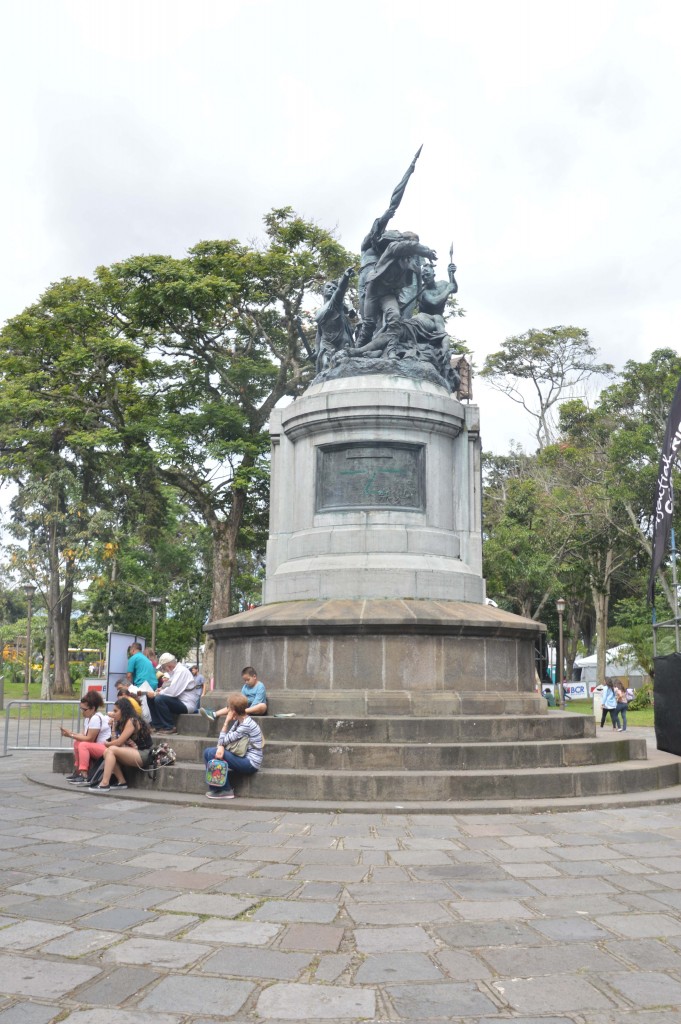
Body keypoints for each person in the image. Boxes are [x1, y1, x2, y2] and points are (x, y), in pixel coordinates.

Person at [355, 232, 437, 353]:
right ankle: (357, 351)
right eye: (413, 241)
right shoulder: (393, 248)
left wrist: (419, 291)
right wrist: (427, 251)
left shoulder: (410, 262)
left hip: (388, 293)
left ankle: (391, 350)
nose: (415, 245)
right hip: (374, 289)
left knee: (394, 317)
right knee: (369, 324)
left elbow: (417, 273)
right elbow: (411, 246)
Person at [202, 692, 264, 800]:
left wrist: (226, 722)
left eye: (228, 708)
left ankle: (226, 790)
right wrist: (221, 746)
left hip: (250, 763)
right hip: (243, 758)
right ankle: (216, 788)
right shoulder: (240, 722)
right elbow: (224, 741)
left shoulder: (245, 725)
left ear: (233, 711)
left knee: (212, 753)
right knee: (207, 752)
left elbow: (223, 740)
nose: (227, 710)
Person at [88, 698, 154, 793]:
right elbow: (116, 742)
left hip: (145, 754)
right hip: (136, 752)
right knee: (109, 751)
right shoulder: (123, 722)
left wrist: (107, 743)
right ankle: (121, 781)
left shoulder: (131, 721)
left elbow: (118, 742)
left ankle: (105, 783)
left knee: (111, 750)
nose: (113, 713)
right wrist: (114, 725)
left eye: (116, 711)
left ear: (123, 710)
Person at [61, 691, 111, 785]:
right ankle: (78, 771)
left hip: (105, 748)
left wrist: (70, 735)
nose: (82, 712)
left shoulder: (96, 718)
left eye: (84, 710)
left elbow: (89, 739)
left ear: (93, 709)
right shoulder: (88, 718)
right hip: (98, 746)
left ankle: (84, 774)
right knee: (77, 743)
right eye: (81, 709)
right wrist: (70, 733)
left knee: (83, 745)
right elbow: (84, 735)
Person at [314, 267, 356, 374]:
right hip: (326, 340)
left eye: (333, 288)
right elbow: (319, 332)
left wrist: (345, 277)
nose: (331, 289)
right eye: (328, 287)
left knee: (345, 363)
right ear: (322, 291)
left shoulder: (335, 302)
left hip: (342, 338)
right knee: (325, 365)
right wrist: (317, 349)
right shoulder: (319, 311)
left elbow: (340, 290)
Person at [146, 652, 200, 732]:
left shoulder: (181, 671)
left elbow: (173, 691)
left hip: (186, 704)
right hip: (179, 701)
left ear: (169, 666)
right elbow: (168, 687)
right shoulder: (175, 672)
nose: (164, 670)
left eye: (164, 668)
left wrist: (156, 693)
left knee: (158, 699)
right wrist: (160, 690)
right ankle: (158, 725)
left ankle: (169, 726)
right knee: (151, 698)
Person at [200, 666, 268, 721]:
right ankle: (214, 714)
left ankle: (239, 712)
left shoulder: (260, 686)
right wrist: (237, 706)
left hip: (255, 709)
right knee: (232, 705)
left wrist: (243, 711)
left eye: (248, 680)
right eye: (245, 680)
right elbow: (241, 699)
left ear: (254, 677)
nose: (246, 682)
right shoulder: (245, 686)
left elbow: (257, 702)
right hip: (245, 708)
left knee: (262, 706)